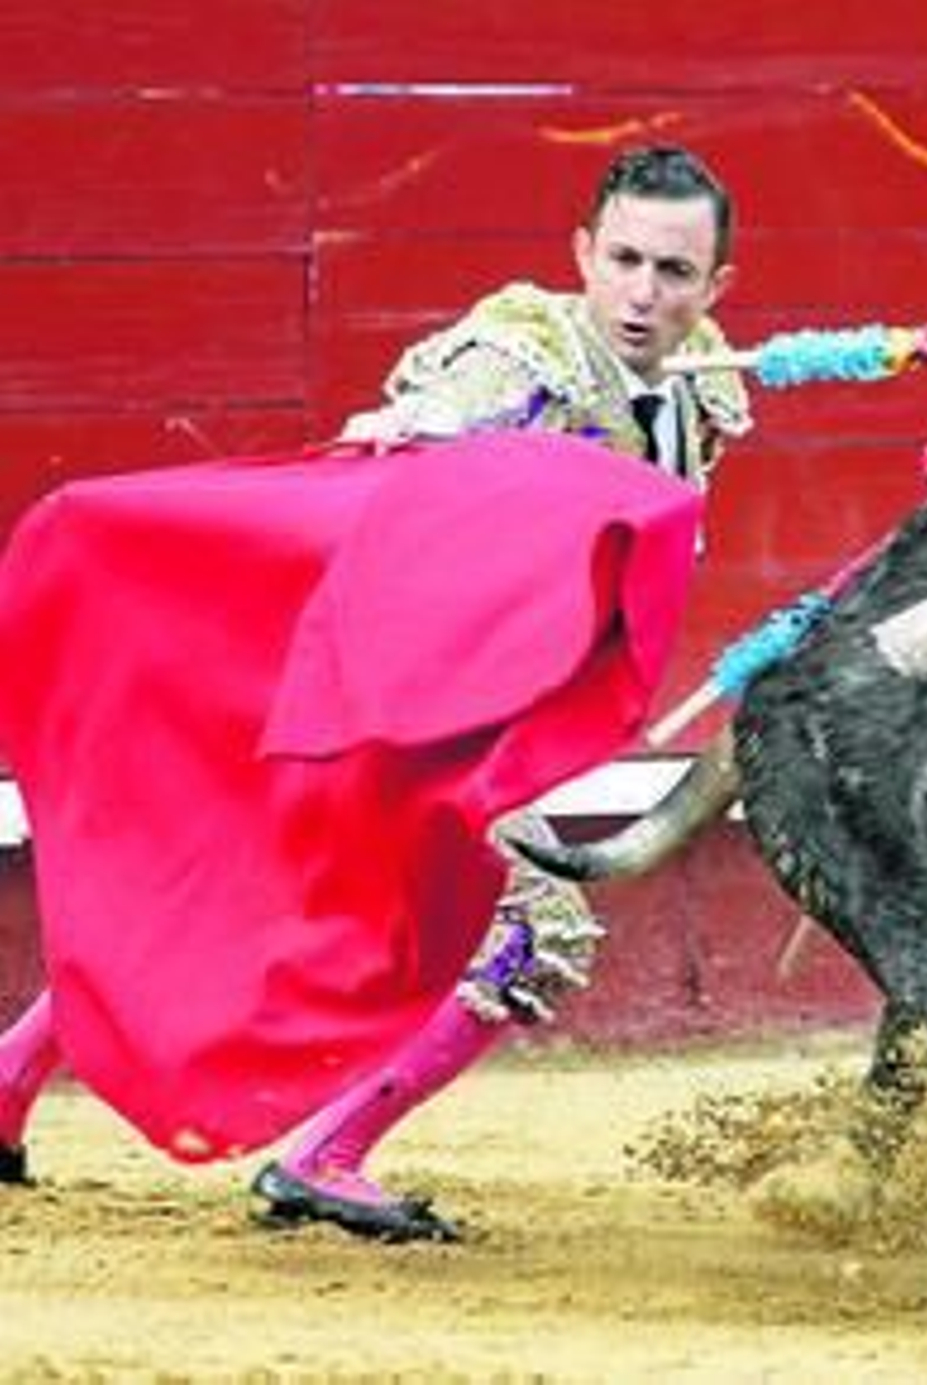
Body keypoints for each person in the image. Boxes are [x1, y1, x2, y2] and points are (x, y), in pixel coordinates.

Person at [0, 144, 750, 1243]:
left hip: (495, 720)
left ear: (716, 286)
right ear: (581, 253)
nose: (644, 293)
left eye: (675, 272)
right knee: (524, 933)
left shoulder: (705, 385)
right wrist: (416, 434)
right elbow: (422, 443)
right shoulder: (517, 357)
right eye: (625, 259)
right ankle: (325, 1154)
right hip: (393, 704)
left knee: (242, 896)